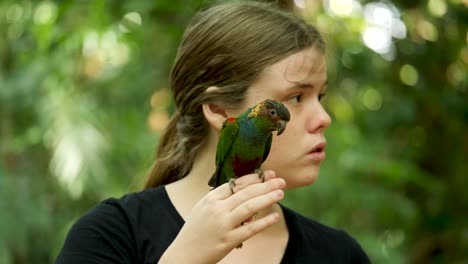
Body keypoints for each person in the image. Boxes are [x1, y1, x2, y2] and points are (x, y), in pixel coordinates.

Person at [55, 2, 370, 263]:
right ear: (219, 111)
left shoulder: (341, 255)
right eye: (296, 97)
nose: (323, 118)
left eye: (321, 96)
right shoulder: (109, 235)